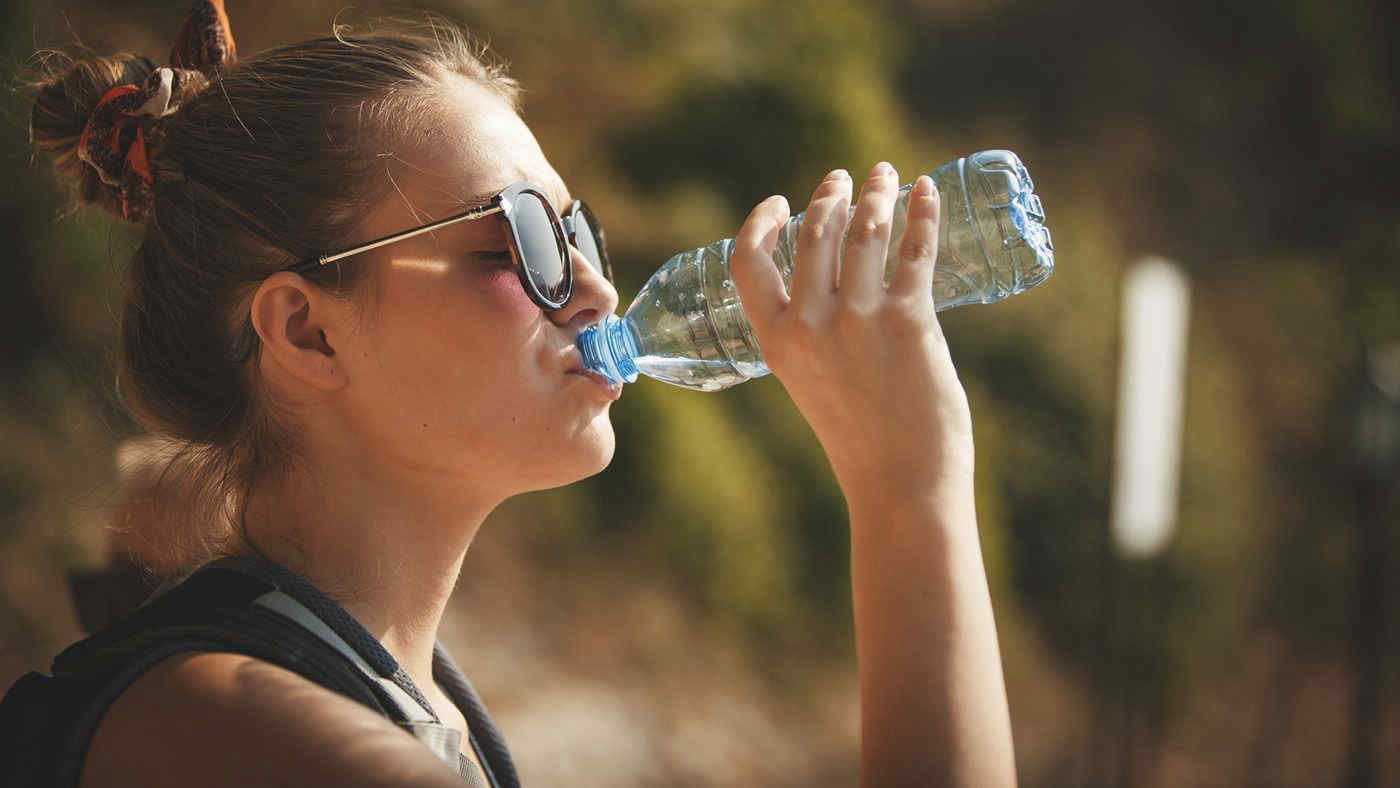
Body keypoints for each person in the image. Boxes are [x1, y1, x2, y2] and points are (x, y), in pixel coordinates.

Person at [18, 1, 1016, 785]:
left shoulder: (408, 701)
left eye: (579, 234)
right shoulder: (230, 721)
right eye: (526, 241)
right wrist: (908, 489)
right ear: (307, 329)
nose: (595, 286)